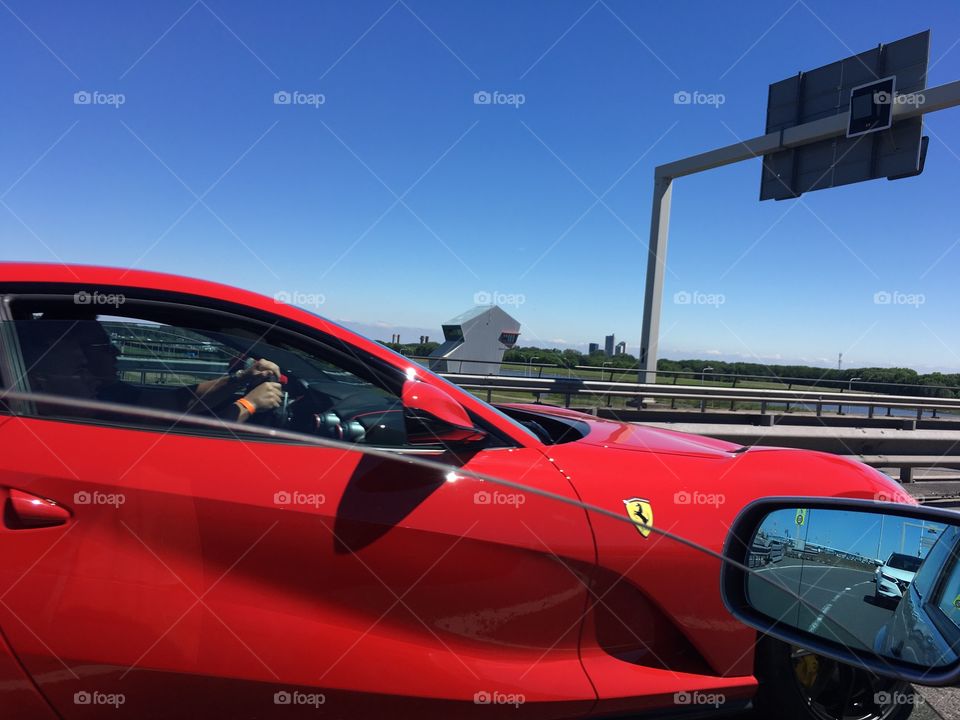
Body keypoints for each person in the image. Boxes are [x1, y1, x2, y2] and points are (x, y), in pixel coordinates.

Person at [18, 316, 282, 424]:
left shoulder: (106, 395)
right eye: (101, 346)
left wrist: (241, 377)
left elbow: (179, 401)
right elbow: (186, 444)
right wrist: (249, 404)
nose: (116, 352)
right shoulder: (78, 426)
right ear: (38, 382)